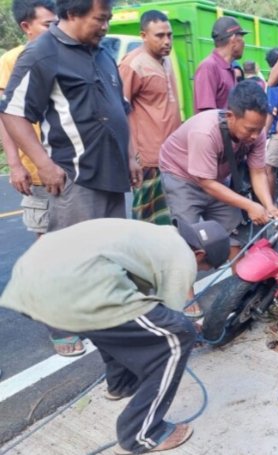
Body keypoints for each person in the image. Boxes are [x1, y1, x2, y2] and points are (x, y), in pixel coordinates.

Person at [0, 218, 230, 454]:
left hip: (30, 285)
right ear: (199, 253)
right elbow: (170, 316)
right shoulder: (181, 255)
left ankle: (121, 384)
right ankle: (142, 433)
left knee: (119, 323)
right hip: (68, 291)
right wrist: (192, 330)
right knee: (179, 335)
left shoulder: (160, 234)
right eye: (204, 267)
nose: (198, 272)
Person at [0, 0, 142, 357]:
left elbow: (120, 108)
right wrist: (41, 163)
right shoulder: (42, 53)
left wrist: (131, 154)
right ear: (74, 14)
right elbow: (14, 113)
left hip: (113, 175)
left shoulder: (102, 52)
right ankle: (59, 325)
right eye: (101, 18)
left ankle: (106, 328)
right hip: (76, 178)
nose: (106, 25)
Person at [159, 80, 278, 255]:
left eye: (259, 128)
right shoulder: (205, 132)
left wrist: (268, 205)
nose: (255, 135)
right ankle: (185, 280)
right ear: (230, 116)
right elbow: (206, 183)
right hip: (182, 177)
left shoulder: (257, 134)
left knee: (232, 233)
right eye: (249, 129)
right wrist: (249, 205)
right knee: (190, 243)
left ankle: (241, 280)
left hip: (215, 178)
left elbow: (257, 172)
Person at [118, 10, 182, 225]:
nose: (167, 41)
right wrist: (132, 156)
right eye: (159, 36)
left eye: (169, 35)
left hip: (170, 156)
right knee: (147, 222)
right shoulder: (132, 64)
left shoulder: (166, 61)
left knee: (172, 218)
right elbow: (119, 110)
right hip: (147, 159)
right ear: (143, 36)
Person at [0, 0, 57, 239]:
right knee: (46, 239)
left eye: (58, 23)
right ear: (26, 26)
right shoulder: (12, 61)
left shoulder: (65, 55)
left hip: (72, 167)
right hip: (37, 169)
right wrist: (14, 164)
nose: (55, 30)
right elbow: (4, 116)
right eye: (48, 24)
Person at [193, 16, 248, 112]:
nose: (244, 43)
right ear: (234, 40)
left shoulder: (229, 68)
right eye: (242, 38)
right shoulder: (208, 67)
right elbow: (206, 114)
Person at [264, 47, 278, 195]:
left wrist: (263, 133)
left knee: (268, 168)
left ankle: (271, 205)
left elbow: (272, 111)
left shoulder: (275, 80)